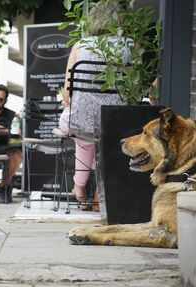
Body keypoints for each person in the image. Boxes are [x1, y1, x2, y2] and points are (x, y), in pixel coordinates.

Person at [58, 2, 129, 206]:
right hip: (115, 122)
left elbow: (67, 94)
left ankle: (79, 184)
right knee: (101, 135)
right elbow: (135, 88)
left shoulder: (80, 46)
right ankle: (100, 191)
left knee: (83, 131)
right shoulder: (131, 45)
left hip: (80, 122)